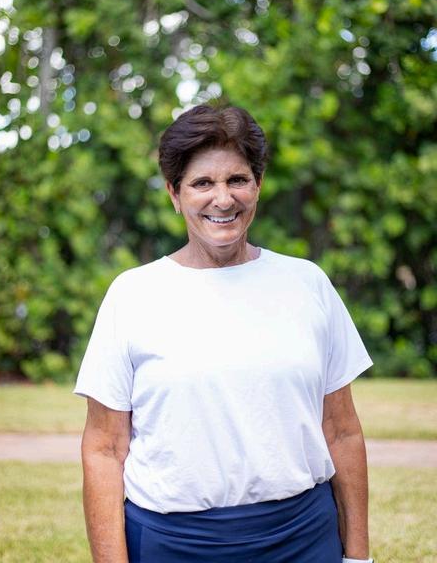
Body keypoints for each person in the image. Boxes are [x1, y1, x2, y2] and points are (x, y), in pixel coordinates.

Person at [74, 104, 375, 563]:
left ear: (258, 186)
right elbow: (104, 449)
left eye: (237, 180)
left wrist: (358, 557)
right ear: (174, 194)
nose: (223, 199)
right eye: (202, 183)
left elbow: (342, 432)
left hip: (303, 539)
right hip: (173, 545)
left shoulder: (307, 283)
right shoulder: (132, 295)